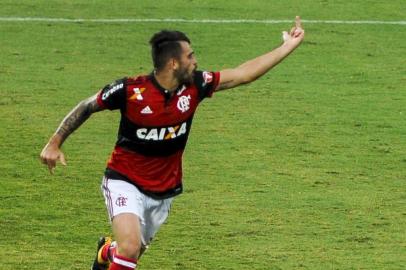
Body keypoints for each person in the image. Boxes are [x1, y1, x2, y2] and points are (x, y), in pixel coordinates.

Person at [40, 16, 304, 270]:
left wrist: (287, 46)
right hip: (124, 180)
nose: (195, 61)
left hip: (164, 190)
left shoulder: (196, 86)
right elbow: (87, 105)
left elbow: (243, 74)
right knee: (130, 248)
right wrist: (54, 142)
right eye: (190, 56)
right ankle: (117, 252)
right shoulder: (132, 90)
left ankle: (106, 253)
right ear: (173, 64)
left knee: (129, 253)